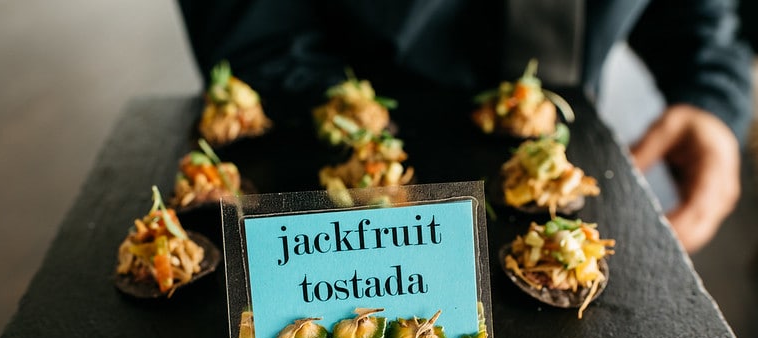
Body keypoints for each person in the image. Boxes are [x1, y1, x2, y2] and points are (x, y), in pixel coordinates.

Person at [177, 0, 753, 253]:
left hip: (557, 156)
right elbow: (255, 32)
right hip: (329, 198)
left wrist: (709, 87)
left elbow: (697, 12)